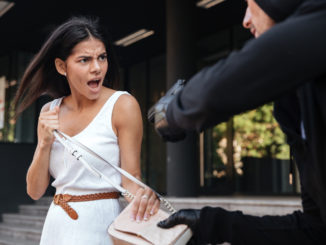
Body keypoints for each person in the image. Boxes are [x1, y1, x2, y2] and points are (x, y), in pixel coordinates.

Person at [150, 0, 326, 244]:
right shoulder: (297, 102)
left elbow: (210, 95)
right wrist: (209, 224)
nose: (245, 20)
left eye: (249, 4)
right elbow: (315, 230)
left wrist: (171, 113)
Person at [14, 16, 159, 245]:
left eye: (102, 57)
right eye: (84, 60)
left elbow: (131, 180)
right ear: (62, 66)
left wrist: (143, 198)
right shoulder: (50, 111)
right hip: (56, 225)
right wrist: (43, 143)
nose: (96, 68)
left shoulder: (122, 105)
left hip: (100, 222)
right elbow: (34, 190)